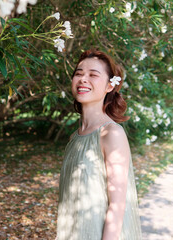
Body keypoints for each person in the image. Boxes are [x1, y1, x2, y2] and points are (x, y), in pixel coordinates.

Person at [56, 49, 142, 240]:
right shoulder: (73, 138)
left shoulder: (111, 133)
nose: (83, 79)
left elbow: (118, 206)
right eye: (78, 73)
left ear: (109, 86)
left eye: (93, 75)